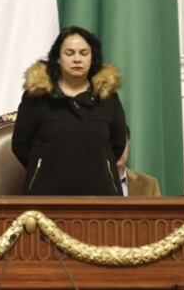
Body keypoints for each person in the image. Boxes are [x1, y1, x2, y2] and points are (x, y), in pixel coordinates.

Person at [11, 26, 127, 195]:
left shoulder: (108, 97)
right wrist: (44, 167)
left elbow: (118, 143)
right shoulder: (37, 96)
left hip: (100, 193)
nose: (77, 59)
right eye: (69, 53)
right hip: (46, 193)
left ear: (92, 58)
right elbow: (21, 144)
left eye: (84, 53)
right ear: (58, 58)